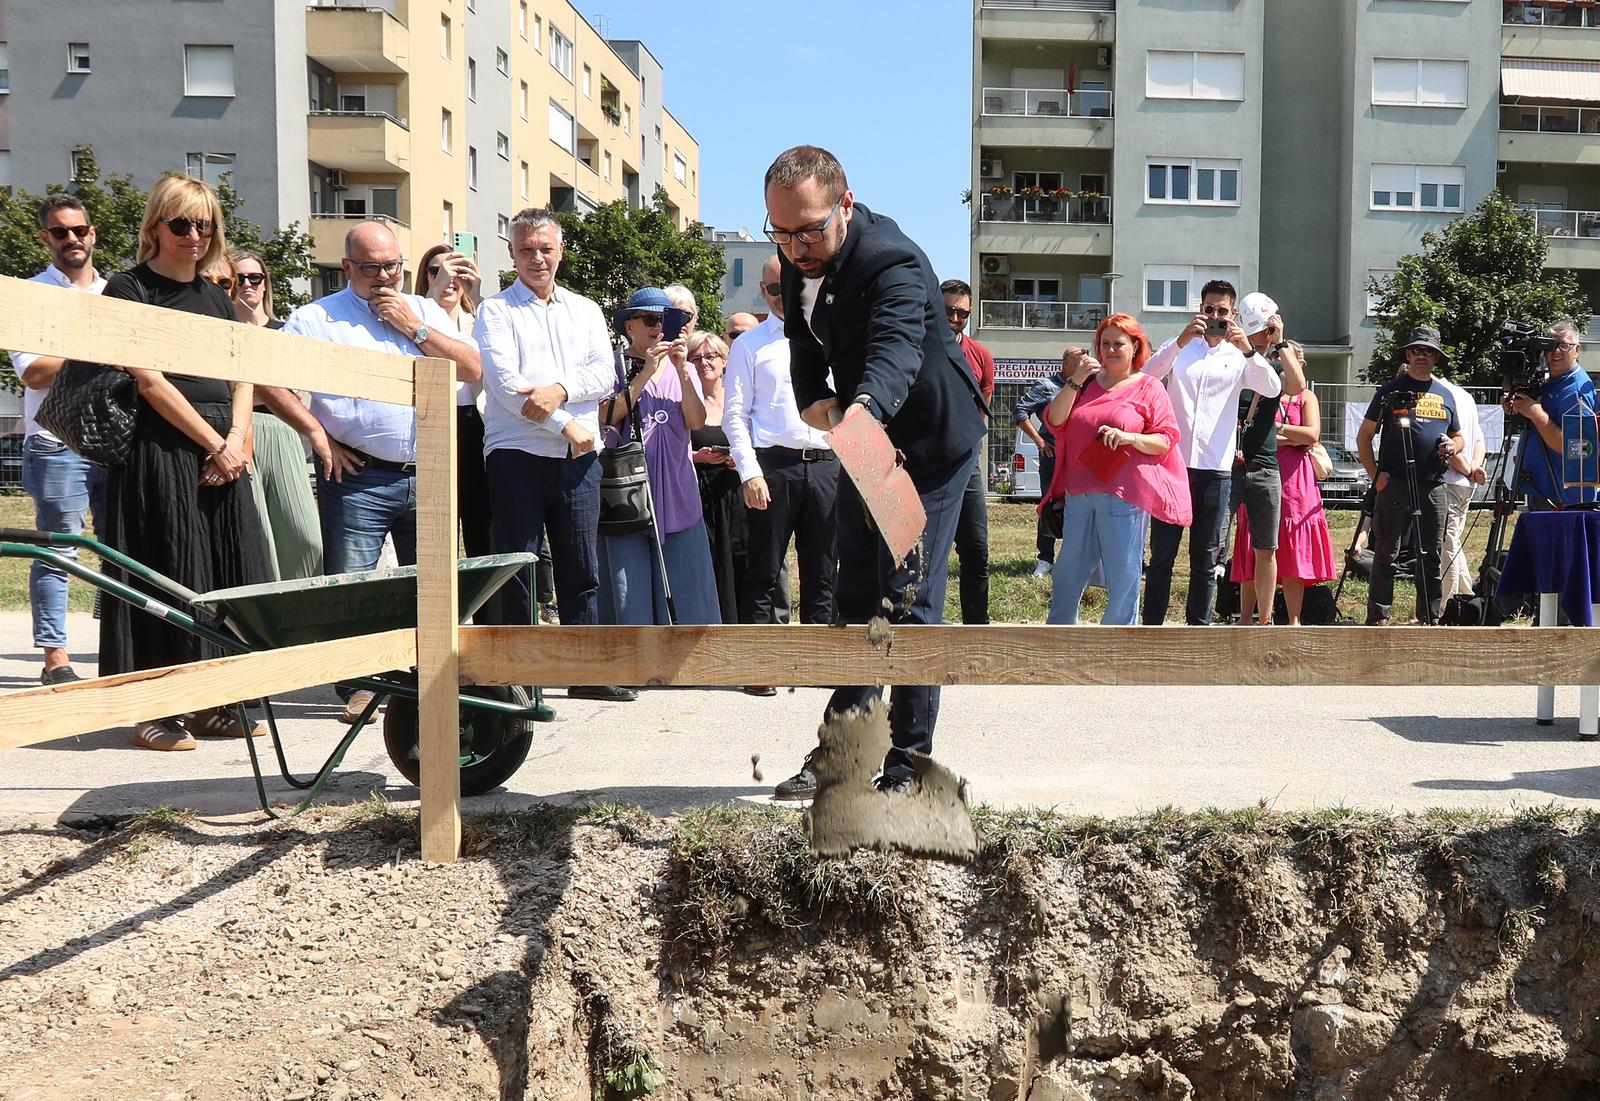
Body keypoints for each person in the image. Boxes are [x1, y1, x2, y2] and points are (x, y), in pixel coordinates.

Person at [763, 145, 987, 799]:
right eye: (781, 232)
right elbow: (802, 336)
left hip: (928, 439)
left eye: (808, 229)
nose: (796, 246)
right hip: (866, 434)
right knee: (856, 595)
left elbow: (894, 353)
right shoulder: (795, 247)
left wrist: (859, 411)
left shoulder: (891, 259)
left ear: (846, 203)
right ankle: (843, 753)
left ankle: (907, 769)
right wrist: (812, 395)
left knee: (910, 598)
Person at [276, 220, 481, 722]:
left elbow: (474, 370)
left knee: (429, 584)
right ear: (347, 267)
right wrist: (317, 434)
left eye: (392, 266)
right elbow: (273, 382)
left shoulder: (427, 310)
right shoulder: (316, 319)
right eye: (371, 268)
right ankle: (359, 685)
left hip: (428, 470)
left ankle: (423, 680)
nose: (384, 277)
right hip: (359, 474)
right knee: (354, 586)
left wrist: (416, 327)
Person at [98, 174, 269, 750]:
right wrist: (213, 443)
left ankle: (213, 700)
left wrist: (238, 440)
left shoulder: (218, 297)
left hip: (226, 451)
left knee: (223, 574)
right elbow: (148, 381)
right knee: (165, 569)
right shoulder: (128, 288)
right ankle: (152, 708)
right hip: (161, 452)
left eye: (205, 224)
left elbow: (242, 371)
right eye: (181, 223)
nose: (194, 234)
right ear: (156, 226)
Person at [475, 208, 636, 704]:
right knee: (519, 564)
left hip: (577, 459)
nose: (537, 258)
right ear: (512, 253)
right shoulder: (495, 311)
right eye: (527, 249)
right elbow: (506, 387)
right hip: (518, 454)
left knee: (580, 565)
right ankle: (523, 672)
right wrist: (564, 420)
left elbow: (603, 376)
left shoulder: (585, 310)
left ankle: (583, 669)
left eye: (545, 248)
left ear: (560, 250)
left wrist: (560, 391)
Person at [723, 253, 835, 696]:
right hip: (774, 465)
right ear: (763, 292)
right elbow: (735, 416)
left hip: (827, 465)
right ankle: (760, 665)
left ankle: (819, 662)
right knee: (764, 569)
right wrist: (749, 472)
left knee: (823, 569)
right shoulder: (750, 345)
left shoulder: (830, 337)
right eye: (773, 289)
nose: (782, 296)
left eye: (790, 286)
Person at [1140, 280, 1283, 625]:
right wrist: (1180, 340)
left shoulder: (1239, 356)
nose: (1215, 317)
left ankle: (1198, 630)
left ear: (1233, 314)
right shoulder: (1181, 348)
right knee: (1162, 556)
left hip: (1216, 470)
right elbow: (1147, 374)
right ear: (1199, 310)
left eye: (1222, 311)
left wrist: (1249, 350)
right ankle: (1152, 627)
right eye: (1209, 310)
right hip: (1173, 466)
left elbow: (1272, 387)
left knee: (1205, 559)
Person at [8, 194, 108, 685]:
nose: (73, 239)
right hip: (55, 442)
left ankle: (118, 646)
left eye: (80, 230)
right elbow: (35, 372)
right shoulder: (30, 296)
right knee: (57, 552)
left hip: (115, 442)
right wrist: (97, 351)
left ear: (93, 233)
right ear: (45, 238)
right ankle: (56, 659)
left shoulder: (119, 294)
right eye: (61, 232)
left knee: (122, 548)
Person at [1042, 315, 1189, 624]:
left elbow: (1165, 441)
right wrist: (1074, 381)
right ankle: (1057, 639)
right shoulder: (1083, 386)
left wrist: (1130, 438)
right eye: (1104, 343)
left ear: (1135, 346)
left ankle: (1118, 646)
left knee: (1124, 575)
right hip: (1079, 492)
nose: (1110, 349)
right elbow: (1054, 421)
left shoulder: (1149, 388)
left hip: (1125, 495)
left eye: (1118, 343)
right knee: (1068, 572)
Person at [598, 287, 722, 626]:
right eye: (650, 319)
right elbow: (606, 417)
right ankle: (633, 664)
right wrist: (645, 373)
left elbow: (696, 421)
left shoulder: (682, 368)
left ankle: (688, 669)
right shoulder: (614, 365)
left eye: (667, 320)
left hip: (678, 491)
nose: (659, 328)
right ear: (630, 327)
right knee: (629, 586)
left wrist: (682, 370)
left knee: (688, 583)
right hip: (628, 495)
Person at [1356, 326, 1471, 626]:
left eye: (1429, 352)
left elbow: (1458, 437)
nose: (1422, 356)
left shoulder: (1445, 394)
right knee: (1386, 552)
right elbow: (1364, 436)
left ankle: (1429, 618)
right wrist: (1374, 475)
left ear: (1437, 358)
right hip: (1393, 482)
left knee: (1430, 553)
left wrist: (1452, 444)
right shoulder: (1390, 390)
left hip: (1433, 484)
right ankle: (1379, 617)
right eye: (1417, 351)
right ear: (1408, 354)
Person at [229, 250, 323, 581]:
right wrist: (270, 389)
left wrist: (252, 387)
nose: (248, 285)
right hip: (240, 431)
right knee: (260, 536)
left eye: (255, 278)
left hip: (284, 433)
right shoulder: (223, 328)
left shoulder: (286, 330)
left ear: (266, 284)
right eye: (239, 278)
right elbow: (227, 391)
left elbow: (297, 391)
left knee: (305, 536)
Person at [1228, 293, 1308, 625]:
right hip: (1228, 466)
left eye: (1266, 328)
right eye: (1261, 329)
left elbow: (1297, 384)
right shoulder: (1230, 361)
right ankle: (1212, 615)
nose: (1263, 333)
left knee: (1266, 548)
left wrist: (1282, 342)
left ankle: (1265, 620)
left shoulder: (1274, 364)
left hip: (1265, 467)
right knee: (1214, 543)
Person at [415, 242, 494, 564]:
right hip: (428, 423)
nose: (448, 279)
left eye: (456, 272)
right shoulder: (413, 315)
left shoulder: (480, 318)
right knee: (436, 534)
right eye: (437, 271)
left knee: (482, 531)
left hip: (474, 424)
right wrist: (432, 296)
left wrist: (475, 295)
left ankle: (489, 613)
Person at [1231, 388, 1338, 625]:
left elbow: (1312, 435)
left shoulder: (1306, 397)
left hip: (1296, 481)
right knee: (1254, 545)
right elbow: (1245, 433)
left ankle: (1294, 620)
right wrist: (1294, 438)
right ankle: (1246, 618)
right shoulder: (1256, 392)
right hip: (1259, 471)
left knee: (1292, 549)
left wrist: (1273, 430)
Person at [685, 331, 749, 627]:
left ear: (725, 361)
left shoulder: (740, 397)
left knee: (740, 560)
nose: (703, 363)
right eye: (696, 357)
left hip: (736, 491)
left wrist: (742, 458)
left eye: (711, 356)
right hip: (698, 492)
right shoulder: (685, 400)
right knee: (706, 564)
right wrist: (697, 457)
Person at [941, 278, 995, 625]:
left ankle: (977, 627)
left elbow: (984, 405)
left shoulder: (981, 355)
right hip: (924, 462)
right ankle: (922, 623)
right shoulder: (918, 346)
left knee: (976, 549)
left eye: (963, 313)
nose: (956, 318)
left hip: (967, 460)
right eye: (948, 310)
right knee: (926, 552)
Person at [1503, 320, 1596, 511]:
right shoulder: (1549, 382)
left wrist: (1536, 413)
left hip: (1566, 498)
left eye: (1564, 345)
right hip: (1542, 487)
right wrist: (1518, 406)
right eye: (1552, 345)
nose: (1556, 352)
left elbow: (1576, 450)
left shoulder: (1576, 389)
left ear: (1576, 350)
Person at [1012, 352, 1075, 577]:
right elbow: (1020, 412)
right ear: (1066, 363)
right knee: (1050, 503)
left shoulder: (1086, 386)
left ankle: (1072, 558)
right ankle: (1045, 558)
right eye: (1079, 359)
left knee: (1077, 507)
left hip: (1077, 457)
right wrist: (1039, 441)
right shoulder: (1047, 386)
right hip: (1052, 455)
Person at [1434, 372, 1488, 613]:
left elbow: (1445, 445)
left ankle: (1445, 608)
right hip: (1465, 485)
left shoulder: (1437, 397)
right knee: (1453, 542)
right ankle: (1468, 600)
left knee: (1447, 545)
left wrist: (1466, 469)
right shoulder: (1465, 395)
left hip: (1449, 480)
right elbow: (1479, 440)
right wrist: (1475, 467)